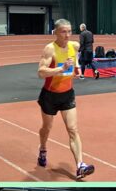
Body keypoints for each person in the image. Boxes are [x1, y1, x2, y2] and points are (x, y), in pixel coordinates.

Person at [37, 19, 95, 181]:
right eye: (63, 31)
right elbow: (41, 72)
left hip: (67, 94)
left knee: (73, 129)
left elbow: (74, 61)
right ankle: (42, 149)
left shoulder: (74, 46)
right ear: (55, 32)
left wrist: (75, 68)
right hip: (50, 95)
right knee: (47, 128)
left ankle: (80, 166)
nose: (67, 35)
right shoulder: (50, 49)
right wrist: (60, 69)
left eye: (69, 31)